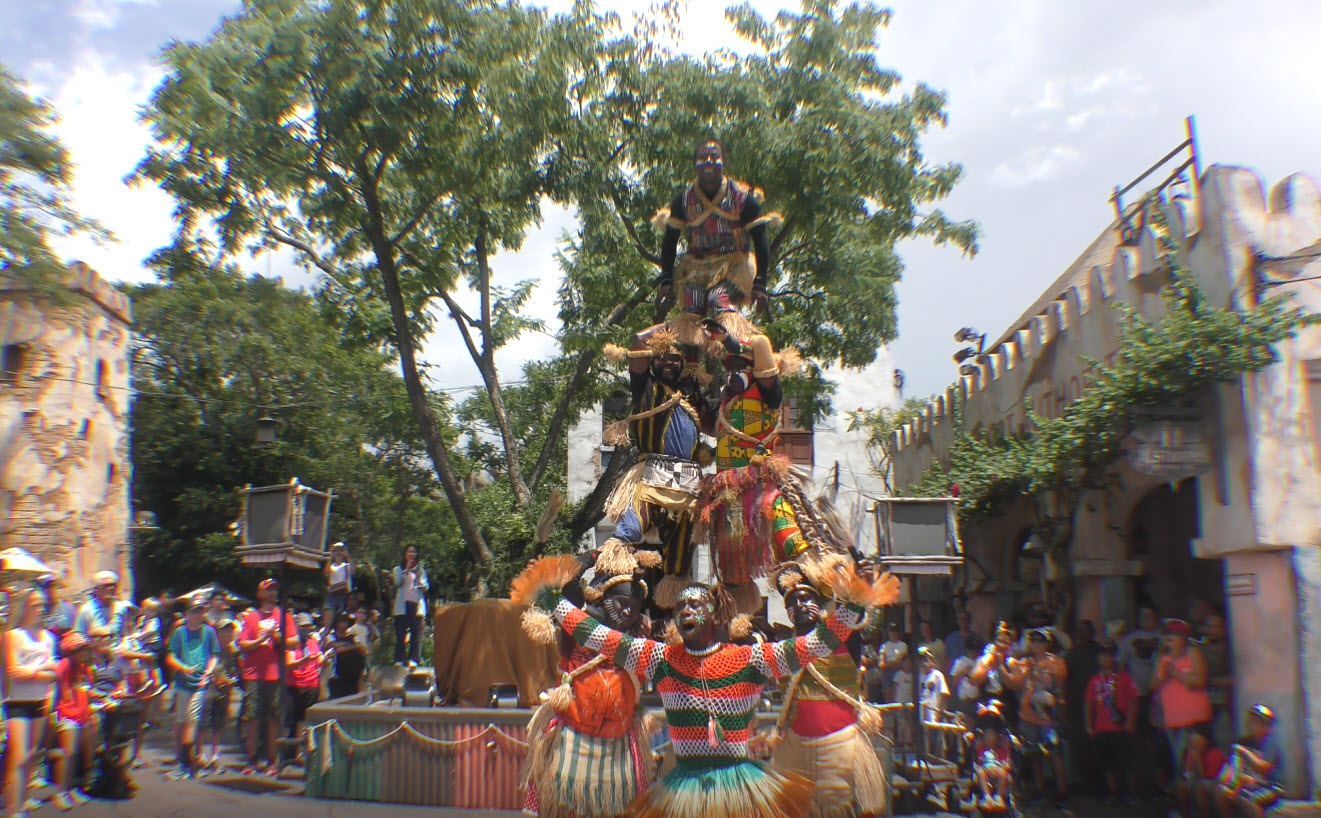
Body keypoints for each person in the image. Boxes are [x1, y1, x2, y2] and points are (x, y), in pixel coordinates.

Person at [518, 554, 895, 818]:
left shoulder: (751, 660)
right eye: (680, 608)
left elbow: (817, 644)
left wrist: (854, 602)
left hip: (740, 789)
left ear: (714, 616)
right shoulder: (662, 660)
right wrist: (553, 600)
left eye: (695, 606)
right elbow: (599, 636)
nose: (685, 612)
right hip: (682, 788)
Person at [518, 542, 660, 818]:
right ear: (604, 599)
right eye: (622, 603)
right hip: (572, 739)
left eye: (633, 606)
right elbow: (553, 584)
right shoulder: (579, 625)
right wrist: (591, 557)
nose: (628, 612)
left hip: (618, 749)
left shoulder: (636, 644)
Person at [697, 323, 808, 611]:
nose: (733, 375)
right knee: (732, 563)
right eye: (730, 371)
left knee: (788, 538)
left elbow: (760, 343)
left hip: (760, 485)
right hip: (727, 493)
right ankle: (736, 619)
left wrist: (729, 340)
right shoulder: (724, 407)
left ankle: (809, 594)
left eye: (742, 368)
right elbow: (701, 418)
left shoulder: (768, 394)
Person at [599, 324, 711, 608]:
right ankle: (600, 594)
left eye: (675, 358)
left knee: (678, 563)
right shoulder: (645, 386)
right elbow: (637, 339)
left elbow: (713, 423)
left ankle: (675, 620)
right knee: (628, 533)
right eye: (663, 356)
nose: (669, 362)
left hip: (687, 487)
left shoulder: (690, 393)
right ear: (654, 358)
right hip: (650, 480)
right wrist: (681, 320)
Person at [767, 563, 887, 818]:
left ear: (819, 603)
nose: (799, 605)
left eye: (806, 598)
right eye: (793, 601)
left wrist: (859, 585)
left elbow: (852, 612)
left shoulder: (844, 639)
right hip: (794, 748)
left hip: (838, 747)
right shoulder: (782, 649)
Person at [653, 139, 780, 345]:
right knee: (691, 306)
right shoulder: (684, 200)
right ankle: (692, 371)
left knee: (718, 300)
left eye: (715, 157)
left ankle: (734, 356)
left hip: (734, 267)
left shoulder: (741, 197)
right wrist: (666, 278)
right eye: (703, 158)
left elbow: (760, 238)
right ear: (695, 164)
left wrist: (760, 284)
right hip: (697, 267)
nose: (709, 162)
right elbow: (669, 241)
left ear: (724, 161)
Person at [6, 588, 59, 818]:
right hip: (18, 700)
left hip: (41, 699)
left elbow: (55, 672)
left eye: (43, 604)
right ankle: (13, 809)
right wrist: (41, 668)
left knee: (32, 755)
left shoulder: (48, 637)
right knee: (18, 757)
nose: (40, 609)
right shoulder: (13, 635)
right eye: (36, 604)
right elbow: (13, 672)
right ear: (24, 606)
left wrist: (36, 672)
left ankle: (24, 799)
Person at [237, 578, 298, 776]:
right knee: (252, 718)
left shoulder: (284, 616)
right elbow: (243, 644)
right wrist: (261, 640)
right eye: (268, 590)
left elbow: (295, 642)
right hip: (254, 674)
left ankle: (273, 761)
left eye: (274, 590)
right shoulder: (251, 617)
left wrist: (279, 638)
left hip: (276, 674)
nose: (272, 593)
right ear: (260, 593)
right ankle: (252, 759)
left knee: (274, 719)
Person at [1009, 627, 1068, 808]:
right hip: (1028, 714)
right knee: (1034, 753)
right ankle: (1040, 790)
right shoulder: (1025, 661)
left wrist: (1059, 712)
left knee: (1053, 752)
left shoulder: (1056, 661)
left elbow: (1060, 685)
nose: (1036, 643)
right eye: (1033, 640)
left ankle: (1062, 791)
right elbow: (1016, 684)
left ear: (1048, 643)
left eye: (1040, 640)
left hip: (1048, 714)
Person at [165, 601, 219, 779]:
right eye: (194, 612)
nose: (197, 615)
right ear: (187, 613)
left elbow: (214, 655)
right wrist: (183, 667)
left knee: (192, 720)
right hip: (182, 683)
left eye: (200, 612)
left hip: (200, 684)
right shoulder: (180, 632)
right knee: (181, 722)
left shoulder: (209, 632)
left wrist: (208, 672)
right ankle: (184, 761)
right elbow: (171, 656)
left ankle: (187, 763)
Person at [1154, 619, 1212, 775]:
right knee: (1177, 761)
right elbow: (1153, 686)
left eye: (1174, 634)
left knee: (1188, 762)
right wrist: (1162, 675)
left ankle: (1196, 795)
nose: (1169, 637)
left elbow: (1200, 680)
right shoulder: (1163, 658)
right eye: (1167, 634)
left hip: (1192, 718)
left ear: (1184, 637)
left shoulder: (1193, 652)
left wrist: (1174, 673)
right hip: (1171, 719)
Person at [1084, 638, 1138, 804]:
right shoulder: (1094, 680)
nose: (1105, 659)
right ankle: (1112, 791)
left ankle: (1129, 792)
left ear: (1114, 657)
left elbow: (1134, 700)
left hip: (1121, 727)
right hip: (1101, 727)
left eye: (1108, 655)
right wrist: (1088, 724)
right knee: (1105, 763)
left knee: (1125, 762)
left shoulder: (1124, 677)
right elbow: (1088, 703)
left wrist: (1130, 721)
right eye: (1102, 655)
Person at [52, 632, 98, 811]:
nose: (82, 652)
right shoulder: (65, 665)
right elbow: (56, 687)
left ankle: (71, 789)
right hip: (67, 714)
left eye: (84, 648)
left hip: (83, 715)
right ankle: (61, 792)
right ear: (70, 651)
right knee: (68, 753)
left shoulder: (86, 667)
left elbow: (86, 690)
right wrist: (53, 712)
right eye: (78, 649)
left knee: (77, 754)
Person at [1217, 704, 1283, 818]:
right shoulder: (1244, 741)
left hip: (1269, 786)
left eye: (1255, 721)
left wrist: (1243, 751)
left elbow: (1263, 769)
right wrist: (1226, 781)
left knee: (1247, 798)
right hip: (1246, 783)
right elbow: (1232, 764)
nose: (1250, 724)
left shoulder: (1269, 744)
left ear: (1265, 725)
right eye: (1251, 721)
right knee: (1221, 791)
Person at [284, 613, 325, 767]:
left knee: (307, 719)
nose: (306, 630)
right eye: (303, 627)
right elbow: (289, 664)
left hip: (312, 684)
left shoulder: (313, 642)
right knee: (294, 721)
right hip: (295, 685)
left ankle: (305, 752)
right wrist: (304, 660)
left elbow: (320, 662)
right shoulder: (291, 643)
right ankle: (292, 754)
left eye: (308, 627)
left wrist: (326, 658)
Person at [201, 618, 240, 771]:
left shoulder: (234, 651)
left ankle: (214, 754)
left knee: (219, 723)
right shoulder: (210, 648)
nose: (227, 633)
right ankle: (200, 753)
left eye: (229, 631)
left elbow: (236, 670)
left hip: (225, 690)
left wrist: (232, 680)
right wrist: (213, 677)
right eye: (223, 630)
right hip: (209, 689)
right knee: (204, 722)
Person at [967, 701, 1015, 812]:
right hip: (985, 768)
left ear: (997, 738)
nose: (988, 738)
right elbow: (977, 760)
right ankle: (986, 796)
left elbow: (1006, 761)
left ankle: (999, 797)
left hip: (998, 769)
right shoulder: (982, 749)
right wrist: (974, 740)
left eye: (991, 736)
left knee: (1004, 774)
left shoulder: (1001, 749)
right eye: (986, 736)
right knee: (979, 772)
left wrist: (1006, 765)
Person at [1200, 614, 1234, 750]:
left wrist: (1208, 680)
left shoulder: (1231, 649)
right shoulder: (1199, 648)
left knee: (1224, 744)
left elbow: (1235, 679)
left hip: (1223, 704)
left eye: (1216, 626)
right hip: (1200, 706)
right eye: (1209, 626)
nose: (1212, 630)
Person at [1177, 725, 1225, 818]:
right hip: (1195, 781)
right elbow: (1186, 774)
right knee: (1180, 785)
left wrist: (1198, 758)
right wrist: (1190, 758)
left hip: (1213, 783)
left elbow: (1207, 776)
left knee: (1200, 787)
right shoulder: (1188, 753)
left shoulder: (1215, 753)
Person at [391, 545, 428, 667]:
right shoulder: (398, 569)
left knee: (415, 632)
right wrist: (406, 570)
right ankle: (399, 659)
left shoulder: (421, 570)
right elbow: (397, 582)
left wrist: (419, 578)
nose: (412, 554)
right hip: (402, 604)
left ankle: (414, 659)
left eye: (414, 552)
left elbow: (426, 587)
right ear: (405, 554)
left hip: (415, 604)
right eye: (409, 551)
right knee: (401, 633)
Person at [327, 614, 367, 699]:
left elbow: (363, 649)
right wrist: (352, 646)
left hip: (355, 675)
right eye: (342, 622)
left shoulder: (353, 636)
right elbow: (335, 649)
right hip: (339, 676)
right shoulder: (331, 636)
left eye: (345, 622)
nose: (344, 624)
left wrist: (348, 646)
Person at [73, 571, 124, 636]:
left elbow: (128, 633)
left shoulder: (122, 607)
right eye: (107, 586)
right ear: (96, 589)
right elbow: (79, 636)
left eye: (114, 585)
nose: (111, 588)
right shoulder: (87, 610)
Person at [949, 635, 985, 717]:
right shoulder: (960, 661)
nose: (974, 652)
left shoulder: (981, 661)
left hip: (978, 700)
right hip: (963, 701)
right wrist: (963, 672)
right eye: (971, 650)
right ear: (967, 649)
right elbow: (953, 683)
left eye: (976, 650)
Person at [879, 622, 909, 703]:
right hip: (887, 673)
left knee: (898, 696)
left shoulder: (903, 645)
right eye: (891, 631)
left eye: (895, 631)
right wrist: (890, 664)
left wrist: (888, 664)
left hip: (899, 673)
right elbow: (881, 664)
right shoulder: (884, 646)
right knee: (888, 697)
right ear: (888, 632)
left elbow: (900, 663)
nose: (894, 633)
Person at [324, 543, 353, 613]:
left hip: (344, 594)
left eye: (341, 550)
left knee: (342, 616)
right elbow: (326, 573)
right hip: (333, 594)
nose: (338, 552)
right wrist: (331, 556)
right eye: (336, 550)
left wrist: (347, 556)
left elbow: (353, 571)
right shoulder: (331, 566)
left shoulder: (347, 565)